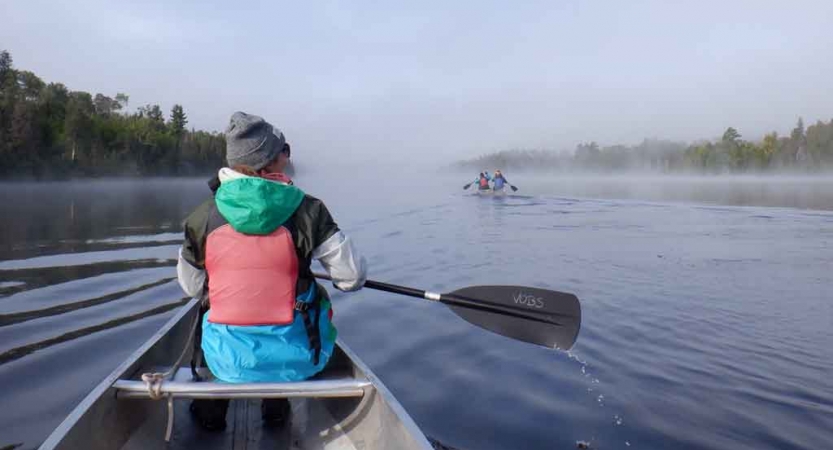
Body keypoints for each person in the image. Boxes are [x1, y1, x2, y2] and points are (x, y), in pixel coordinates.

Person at [176, 111, 367, 431]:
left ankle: (210, 417)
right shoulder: (309, 210)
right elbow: (351, 279)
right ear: (271, 159)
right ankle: (276, 412)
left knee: (215, 310)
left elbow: (191, 287)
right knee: (306, 303)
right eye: (285, 150)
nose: (288, 157)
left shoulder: (202, 217)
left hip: (225, 357)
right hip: (296, 359)